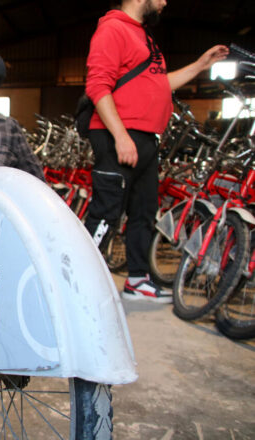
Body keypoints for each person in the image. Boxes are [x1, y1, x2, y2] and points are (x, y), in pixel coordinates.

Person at [83, 0, 228, 302]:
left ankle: (137, 279)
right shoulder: (112, 29)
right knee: (106, 213)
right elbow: (98, 86)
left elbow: (162, 84)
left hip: (146, 137)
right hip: (119, 134)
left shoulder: (144, 36)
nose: (164, 3)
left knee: (143, 212)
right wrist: (121, 136)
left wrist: (202, 65)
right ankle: (77, 284)